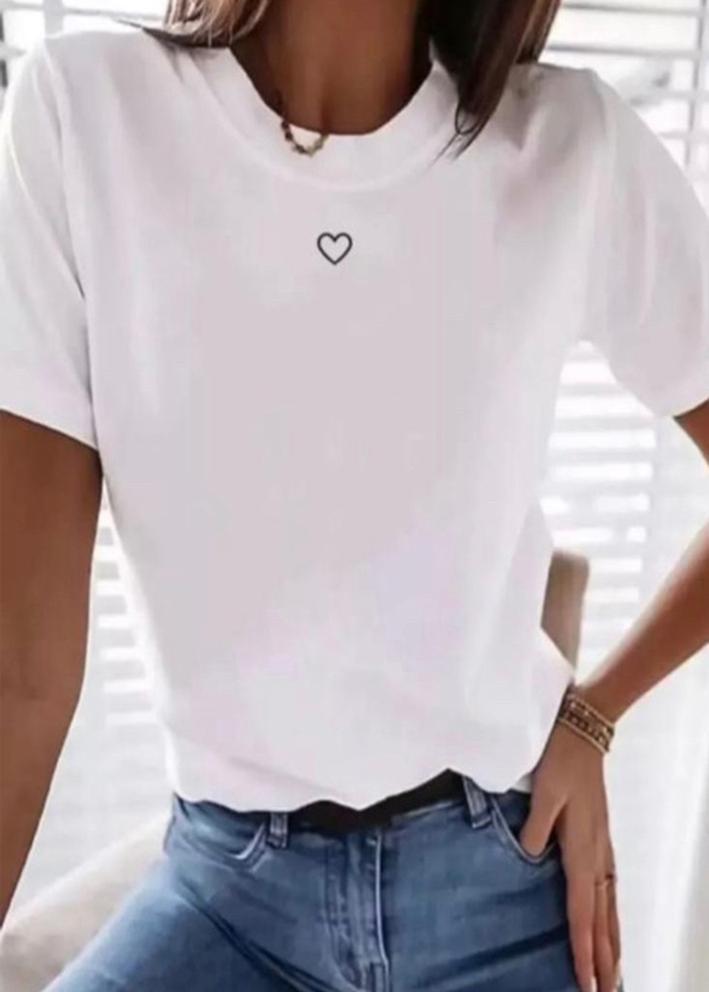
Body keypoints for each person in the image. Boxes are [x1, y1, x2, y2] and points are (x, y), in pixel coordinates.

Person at [1, 1, 708, 990]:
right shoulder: (83, 118)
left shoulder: (569, 146)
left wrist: (593, 715)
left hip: (501, 881)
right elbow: (23, 680)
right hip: (227, 895)